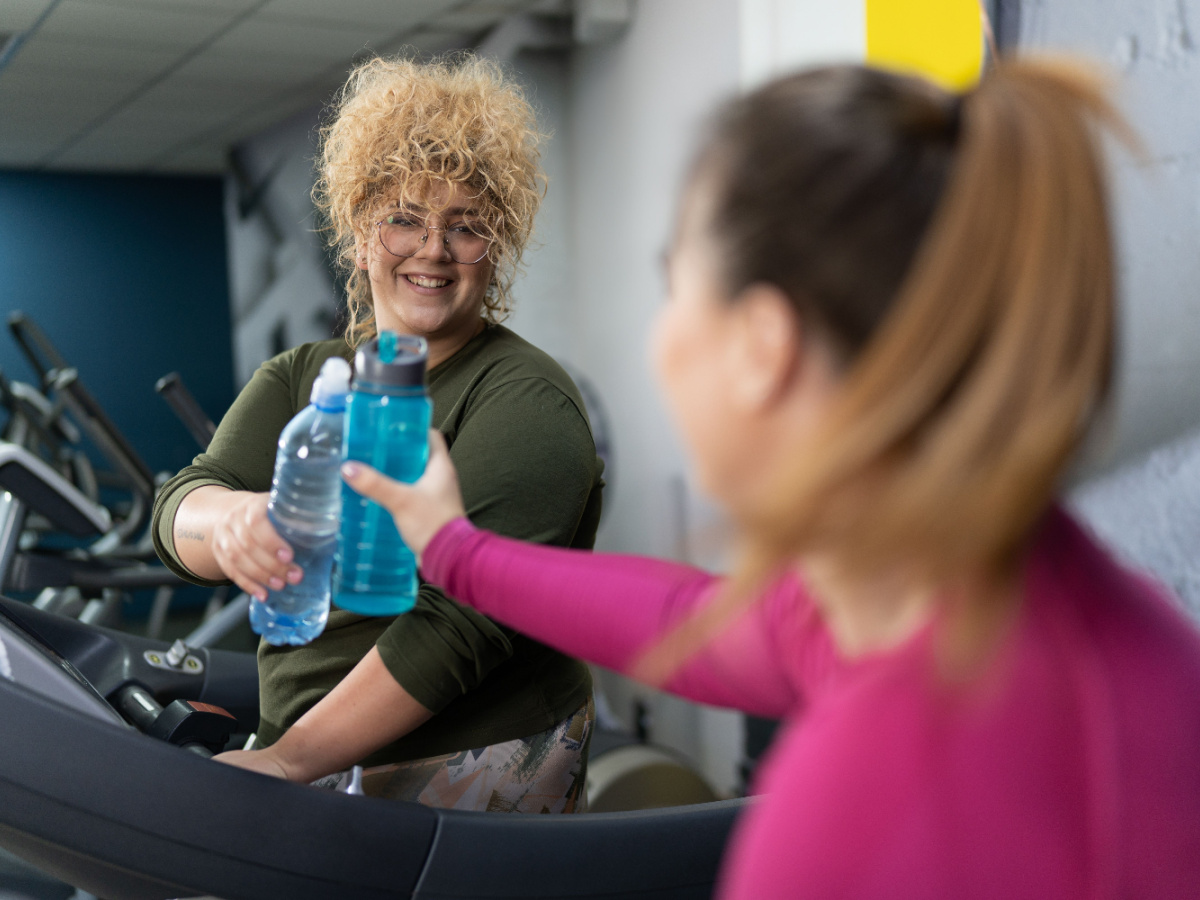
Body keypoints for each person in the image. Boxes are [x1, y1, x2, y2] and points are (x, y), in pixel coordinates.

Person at [341, 59, 1200, 896]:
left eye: (674, 289)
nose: (662, 340)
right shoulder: (966, 590)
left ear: (763, 346)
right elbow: (697, 621)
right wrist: (454, 551)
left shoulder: (858, 808)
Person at [151, 54, 604, 814]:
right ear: (360, 235)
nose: (433, 249)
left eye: (466, 226)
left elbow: (459, 626)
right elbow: (181, 504)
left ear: (495, 249)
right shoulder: (303, 377)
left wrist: (292, 760)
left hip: (463, 760)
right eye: (404, 219)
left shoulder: (526, 399)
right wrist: (229, 523)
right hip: (305, 749)